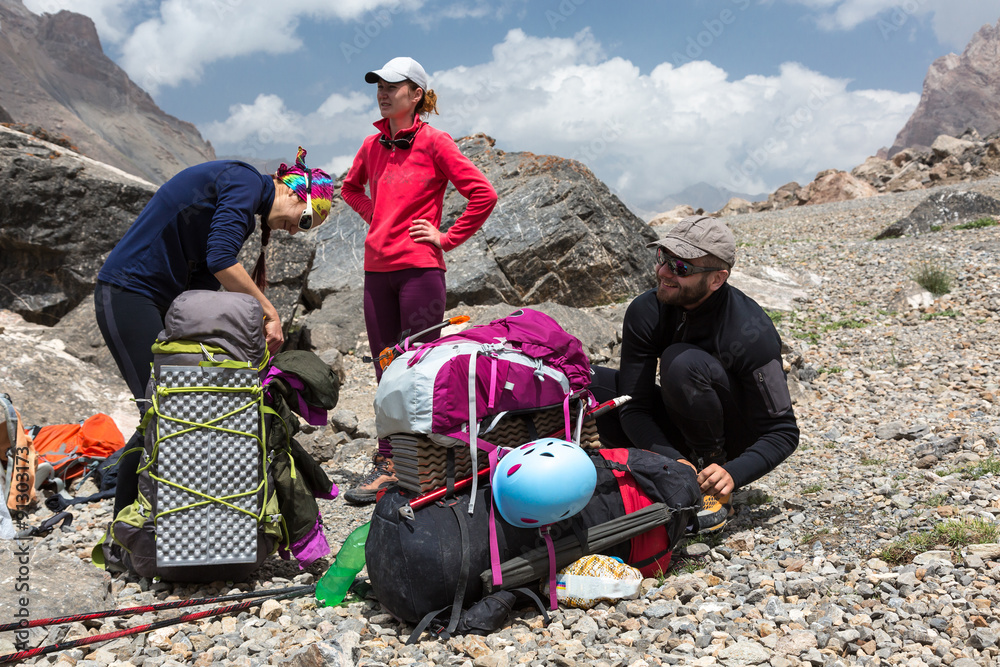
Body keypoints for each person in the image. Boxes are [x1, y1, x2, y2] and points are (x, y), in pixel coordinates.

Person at [95, 147, 335, 517]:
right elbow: (221, 260)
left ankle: (174, 521)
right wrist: (267, 311)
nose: (292, 231)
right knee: (160, 410)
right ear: (291, 191)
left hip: (161, 300)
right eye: (303, 221)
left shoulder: (245, 204)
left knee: (181, 407)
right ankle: (123, 533)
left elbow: (202, 285)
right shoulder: (243, 180)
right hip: (128, 291)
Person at [341, 56, 498, 505]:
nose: (383, 92)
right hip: (377, 273)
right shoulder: (371, 146)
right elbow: (350, 188)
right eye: (379, 86)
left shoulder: (435, 142)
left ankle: (430, 461)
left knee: (420, 367)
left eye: (394, 86)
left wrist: (445, 238)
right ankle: (390, 461)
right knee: (384, 366)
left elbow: (483, 194)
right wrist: (379, 218)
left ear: (417, 95)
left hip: (421, 272)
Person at [590, 215, 799, 533]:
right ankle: (672, 472)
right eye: (663, 258)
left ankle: (710, 479)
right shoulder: (646, 312)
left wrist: (733, 472)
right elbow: (633, 404)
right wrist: (669, 458)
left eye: (681, 268)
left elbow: (783, 432)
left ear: (717, 279)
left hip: (731, 443)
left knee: (681, 362)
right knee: (589, 383)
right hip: (680, 428)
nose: (663, 273)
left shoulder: (752, 331)